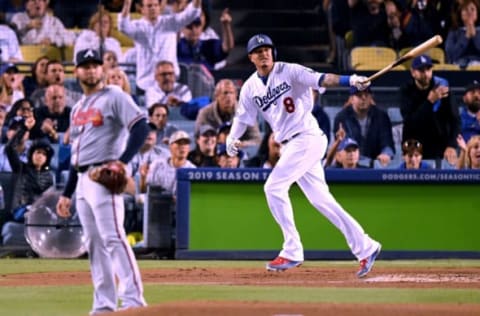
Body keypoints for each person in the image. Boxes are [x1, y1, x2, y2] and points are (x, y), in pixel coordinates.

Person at [226, 34, 381, 277]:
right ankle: (366, 247)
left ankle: (292, 250)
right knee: (323, 201)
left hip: (306, 137)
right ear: (251, 58)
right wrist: (230, 137)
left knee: (273, 187)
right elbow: (243, 117)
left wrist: (350, 79)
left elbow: (323, 79)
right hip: (290, 145)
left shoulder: (290, 71)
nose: (264, 54)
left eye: (267, 49)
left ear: (273, 52)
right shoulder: (250, 87)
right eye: (258, 51)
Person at [55, 49, 149, 314]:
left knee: (114, 237)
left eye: (95, 65)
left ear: (102, 70)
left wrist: (121, 161)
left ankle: (134, 301)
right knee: (96, 244)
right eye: (85, 65)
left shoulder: (115, 96)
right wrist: (67, 193)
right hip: (83, 179)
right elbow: (76, 156)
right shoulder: (77, 108)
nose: (91, 70)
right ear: (77, 72)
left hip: (103, 177)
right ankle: (104, 305)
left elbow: (141, 126)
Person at [118, 0, 201, 92]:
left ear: (159, 7)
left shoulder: (170, 23)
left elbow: (191, 14)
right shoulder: (137, 26)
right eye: (149, 6)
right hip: (146, 83)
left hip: (170, 81)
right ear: (142, 9)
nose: (153, 8)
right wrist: (127, 3)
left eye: (156, 5)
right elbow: (123, 26)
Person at [1, 117, 54, 246]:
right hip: (21, 209)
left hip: (42, 211)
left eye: (43, 153)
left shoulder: (49, 176)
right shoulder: (21, 168)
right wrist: (24, 128)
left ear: (46, 158)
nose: (40, 156)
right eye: (37, 152)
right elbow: (9, 149)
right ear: (31, 155)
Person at [400, 54, 460, 163]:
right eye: (421, 70)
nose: (426, 73)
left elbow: (455, 119)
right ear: (413, 72)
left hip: (440, 145)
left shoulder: (442, 86)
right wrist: (429, 102)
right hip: (415, 146)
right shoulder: (406, 91)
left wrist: (451, 145)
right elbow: (410, 122)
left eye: (428, 69)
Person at [333, 86, 395, 167]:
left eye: (366, 95)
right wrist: (368, 162)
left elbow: (387, 142)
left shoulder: (381, 116)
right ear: (351, 99)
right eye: (359, 95)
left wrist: (386, 154)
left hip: (376, 166)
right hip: (350, 166)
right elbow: (345, 148)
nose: (363, 98)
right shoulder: (342, 118)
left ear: (371, 98)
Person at [195, 79, 261, 147]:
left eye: (231, 93)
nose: (228, 96)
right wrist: (215, 143)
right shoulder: (205, 113)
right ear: (216, 96)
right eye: (225, 93)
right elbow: (197, 138)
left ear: (236, 95)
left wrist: (241, 144)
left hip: (239, 153)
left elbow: (256, 140)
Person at [142, 130, 195, 196]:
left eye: (185, 143)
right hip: (157, 203)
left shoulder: (192, 170)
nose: (183, 146)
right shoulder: (157, 165)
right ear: (170, 146)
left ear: (189, 148)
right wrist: (143, 178)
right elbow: (145, 190)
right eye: (179, 143)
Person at [11, 0, 76, 47]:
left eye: (40, 0)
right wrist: (27, 28)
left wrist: (52, 41)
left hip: (47, 58)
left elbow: (70, 38)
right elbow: (11, 37)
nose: (37, 3)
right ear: (27, 5)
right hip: (24, 58)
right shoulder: (18, 18)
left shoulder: (53, 21)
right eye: (33, 0)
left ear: (46, 4)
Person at [445, 0, 480, 69]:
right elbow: (451, 56)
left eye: (472, 9)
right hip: (458, 67)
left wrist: (475, 36)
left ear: (477, 13)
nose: (469, 12)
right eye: (466, 9)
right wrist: (466, 37)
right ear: (460, 13)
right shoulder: (453, 32)